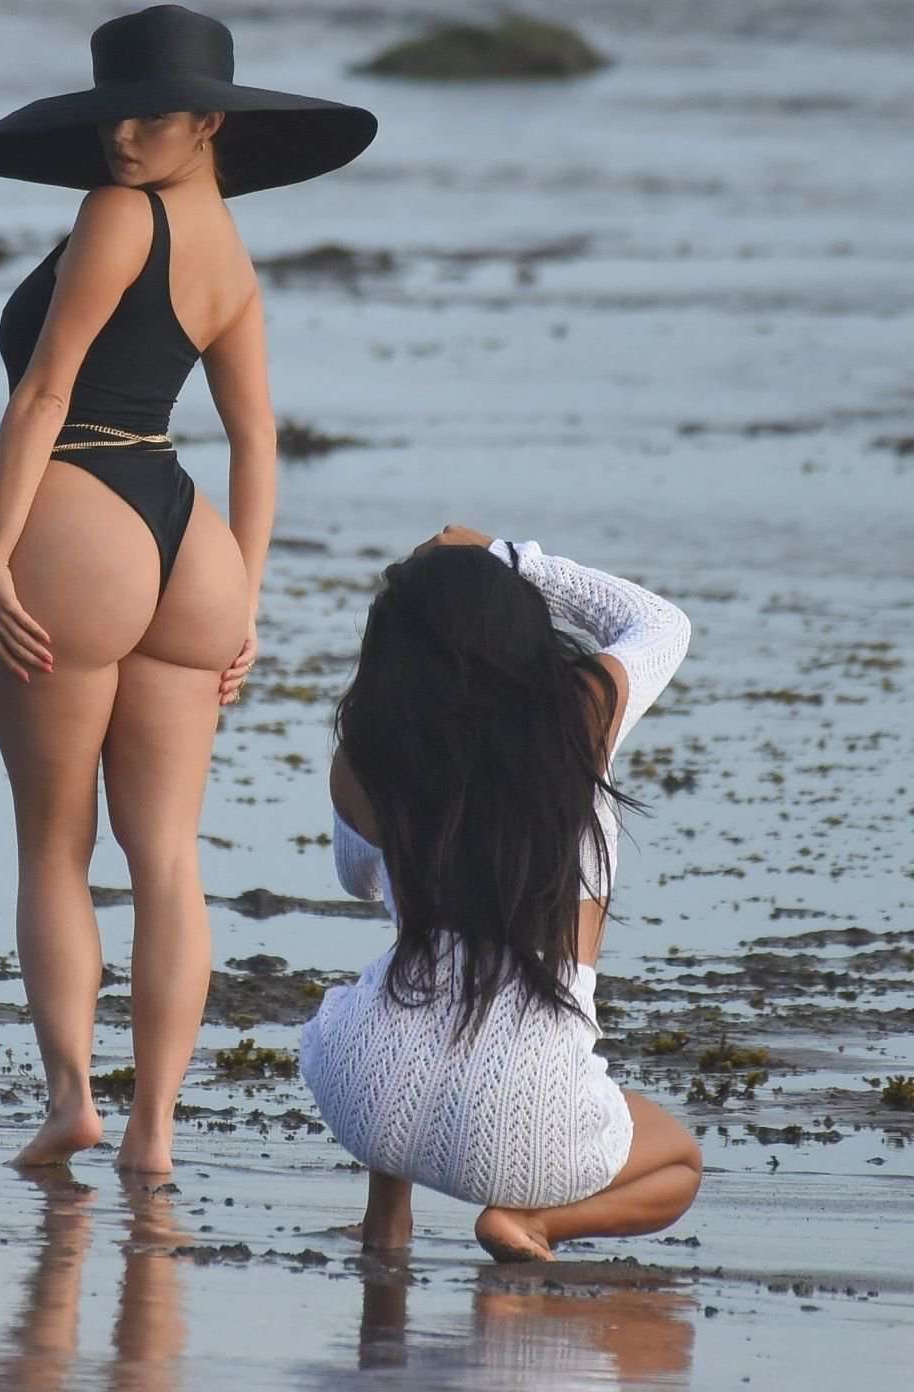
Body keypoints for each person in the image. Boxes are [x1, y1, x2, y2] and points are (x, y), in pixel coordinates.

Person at [0, 5, 376, 1170]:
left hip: (81, 513)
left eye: (151, 116)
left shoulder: (114, 215)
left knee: (55, 845)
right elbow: (257, 438)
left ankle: (72, 1102)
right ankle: (155, 1130)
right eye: (113, 117)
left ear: (209, 123)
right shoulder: (229, 252)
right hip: (192, 542)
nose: (124, 136)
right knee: (169, 856)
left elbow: (45, 394)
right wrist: (247, 597)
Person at [300, 525, 700, 1261]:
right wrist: (512, 557)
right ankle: (529, 1222)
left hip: (361, 1091)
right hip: (533, 1112)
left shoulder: (365, 750)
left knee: (410, 978)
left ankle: (387, 1223)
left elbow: (359, 880)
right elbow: (660, 624)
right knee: (680, 1163)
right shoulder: (580, 716)